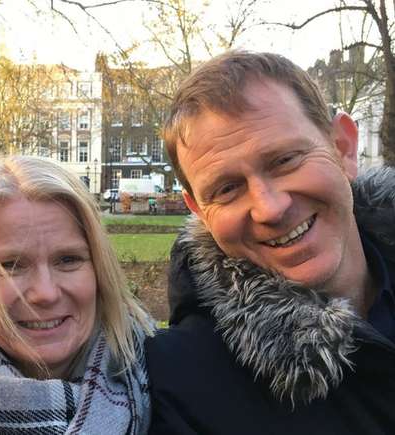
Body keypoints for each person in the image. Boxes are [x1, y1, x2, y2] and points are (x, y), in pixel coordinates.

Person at [146, 50, 395, 434]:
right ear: (199, 211)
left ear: (343, 147)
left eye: (285, 160)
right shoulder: (182, 386)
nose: (270, 208)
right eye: (227, 189)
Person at [0, 155, 155, 434]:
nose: (45, 293)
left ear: (99, 268)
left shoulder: (171, 382)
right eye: (10, 266)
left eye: (68, 260)